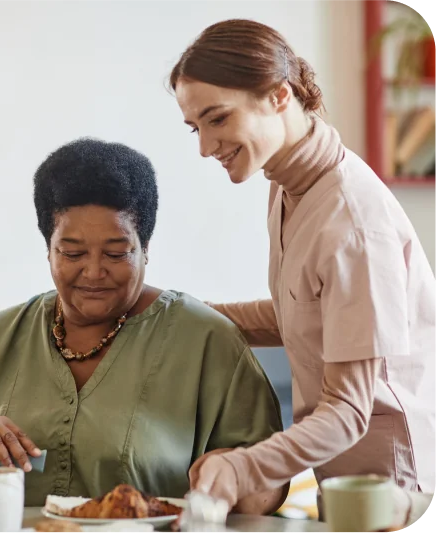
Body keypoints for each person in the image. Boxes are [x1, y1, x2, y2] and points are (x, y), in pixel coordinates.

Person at [0, 138, 287, 513]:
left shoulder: (207, 340)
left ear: (146, 247)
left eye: (117, 253)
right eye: (72, 252)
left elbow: (270, 491)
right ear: (48, 248)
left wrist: (236, 475)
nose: (93, 271)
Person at [169, 17, 436, 525]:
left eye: (217, 119)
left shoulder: (352, 222)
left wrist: (243, 468)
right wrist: (176, 315)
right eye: (195, 127)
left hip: (397, 485)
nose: (205, 146)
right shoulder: (288, 183)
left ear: (278, 95)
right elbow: (307, 313)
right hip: (341, 479)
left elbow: (349, 411)